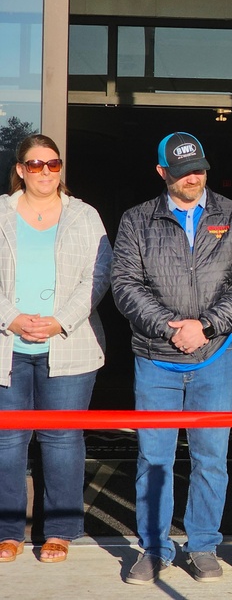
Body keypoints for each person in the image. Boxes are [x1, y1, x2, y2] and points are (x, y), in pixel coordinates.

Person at [111, 132, 232, 585]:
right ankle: (154, 549)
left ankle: (202, 547)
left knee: (210, 458)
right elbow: (124, 286)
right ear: (162, 174)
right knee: (154, 458)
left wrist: (206, 326)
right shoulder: (137, 221)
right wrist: (169, 327)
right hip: (156, 359)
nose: (193, 177)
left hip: (215, 358)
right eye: (181, 172)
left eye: (198, 168)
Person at [0, 134, 111, 564]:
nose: (45, 172)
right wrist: (9, 316)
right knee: (8, 441)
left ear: (61, 168)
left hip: (69, 343)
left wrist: (61, 320)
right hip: (8, 343)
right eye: (35, 164)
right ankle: (8, 532)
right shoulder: (2, 213)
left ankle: (60, 532)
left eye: (53, 163)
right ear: (20, 169)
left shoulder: (84, 215)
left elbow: (101, 273)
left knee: (62, 440)